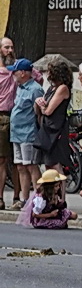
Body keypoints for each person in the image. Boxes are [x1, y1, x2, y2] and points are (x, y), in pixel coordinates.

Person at [10, 58, 45, 197]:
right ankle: (24, 199)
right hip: (16, 133)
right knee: (20, 166)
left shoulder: (36, 89)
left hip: (28, 133)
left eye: (15, 71)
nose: (13, 74)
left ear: (23, 73)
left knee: (31, 165)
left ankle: (39, 198)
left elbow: (39, 113)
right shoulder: (20, 88)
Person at [34, 58, 75, 174]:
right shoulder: (51, 88)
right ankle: (51, 191)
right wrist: (38, 102)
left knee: (55, 164)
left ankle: (60, 191)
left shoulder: (63, 88)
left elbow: (48, 111)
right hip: (47, 129)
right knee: (48, 164)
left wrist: (42, 106)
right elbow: (40, 108)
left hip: (56, 130)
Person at [0, 36, 15, 206]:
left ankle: (19, 197)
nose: (10, 50)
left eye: (11, 47)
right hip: (2, 115)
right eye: (6, 47)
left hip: (17, 116)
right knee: (2, 160)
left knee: (18, 162)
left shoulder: (17, 69)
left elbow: (38, 77)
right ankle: (0, 198)